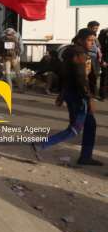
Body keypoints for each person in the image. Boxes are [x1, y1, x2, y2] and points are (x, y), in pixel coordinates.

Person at [32, 29, 102, 166]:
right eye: (89, 40)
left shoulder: (72, 52)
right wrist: (89, 99)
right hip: (79, 96)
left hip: (72, 93)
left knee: (90, 125)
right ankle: (40, 145)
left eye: (93, 41)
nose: (92, 43)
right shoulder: (79, 54)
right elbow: (80, 78)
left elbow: (67, 77)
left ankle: (85, 157)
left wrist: (62, 95)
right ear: (80, 40)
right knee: (74, 129)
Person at [0, 27, 24, 91]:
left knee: (7, 73)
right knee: (18, 72)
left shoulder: (2, 36)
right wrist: (19, 54)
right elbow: (21, 46)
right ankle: (21, 88)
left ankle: (10, 89)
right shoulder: (17, 36)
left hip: (6, 57)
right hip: (14, 57)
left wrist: (1, 55)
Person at [87, 21, 102, 97]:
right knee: (89, 75)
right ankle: (89, 93)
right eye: (94, 28)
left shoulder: (95, 36)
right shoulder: (85, 35)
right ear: (89, 27)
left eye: (97, 28)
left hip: (95, 58)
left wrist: (100, 56)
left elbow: (98, 47)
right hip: (89, 57)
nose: (96, 30)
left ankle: (93, 93)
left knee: (95, 75)